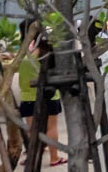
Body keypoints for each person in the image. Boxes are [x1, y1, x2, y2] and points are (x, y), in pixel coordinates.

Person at [17, 23, 66, 167]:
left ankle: (32, 156)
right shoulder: (50, 55)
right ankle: (54, 157)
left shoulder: (24, 57)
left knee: (32, 130)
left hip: (27, 98)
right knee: (51, 128)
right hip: (50, 97)